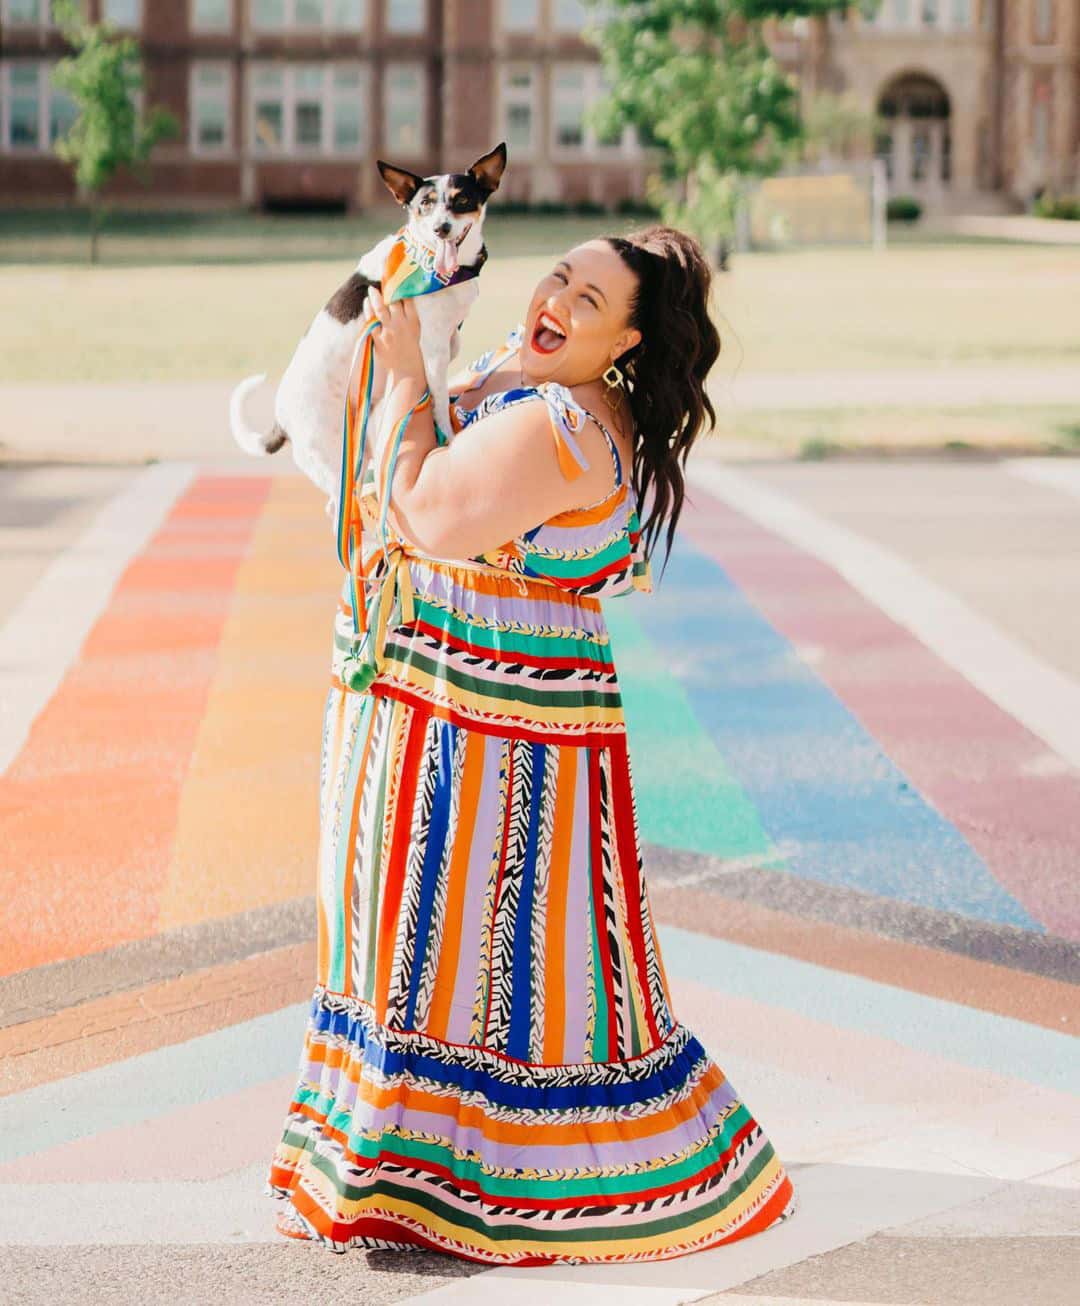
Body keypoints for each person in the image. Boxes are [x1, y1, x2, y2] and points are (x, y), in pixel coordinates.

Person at [265, 225, 798, 1263]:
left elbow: (427, 509)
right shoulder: (530, 368)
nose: (556, 298)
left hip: (488, 749)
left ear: (625, 350)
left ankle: (485, 1179)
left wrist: (412, 367)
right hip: (444, 712)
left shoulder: (563, 421)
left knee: (478, 960)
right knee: (424, 950)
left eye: (590, 302)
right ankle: (402, 1164)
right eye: (561, 273)